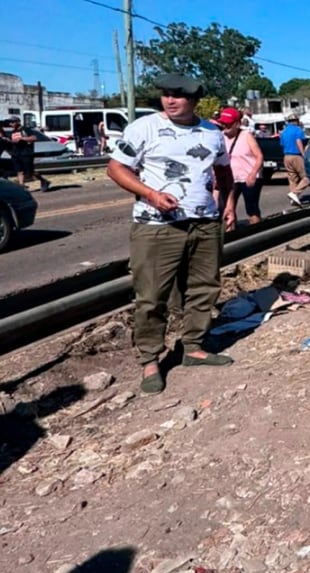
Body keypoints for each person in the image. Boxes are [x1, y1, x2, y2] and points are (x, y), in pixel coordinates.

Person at [105, 73, 236, 394]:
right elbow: (116, 168)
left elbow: (223, 172)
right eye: (166, 95)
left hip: (204, 223)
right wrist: (150, 194)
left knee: (204, 287)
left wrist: (228, 205)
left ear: (194, 101)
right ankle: (151, 359)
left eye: (178, 96)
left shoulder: (211, 133)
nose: (170, 100)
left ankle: (193, 346)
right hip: (156, 226)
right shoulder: (144, 128)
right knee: (151, 295)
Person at [217, 106, 264, 226]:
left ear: (237, 124)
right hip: (230, 179)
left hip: (248, 177)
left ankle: (258, 235)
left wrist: (253, 174)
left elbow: (259, 156)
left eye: (228, 124)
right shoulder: (219, 137)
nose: (225, 126)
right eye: (223, 123)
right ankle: (232, 237)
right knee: (227, 209)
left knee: (251, 209)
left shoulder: (246, 135)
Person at [5, 117, 50, 192]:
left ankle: (44, 181)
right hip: (16, 153)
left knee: (30, 172)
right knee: (19, 171)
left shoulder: (25, 129)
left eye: (12, 122)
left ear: (17, 122)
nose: (10, 124)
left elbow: (34, 138)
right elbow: (13, 141)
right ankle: (21, 188)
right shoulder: (13, 131)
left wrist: (22, 138)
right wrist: (9, 141)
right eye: (10, 122)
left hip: (26, 153)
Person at [280, 112, 309, 206]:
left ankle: (294, 199)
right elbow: (298, 142)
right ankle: (295, 193)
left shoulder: (284, 131)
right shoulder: (298, 130)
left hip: (286, 156)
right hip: (296, 155)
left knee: (292, 178)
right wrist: (303, 154)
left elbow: (282, 144)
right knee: (307, 177)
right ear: (296, 121)